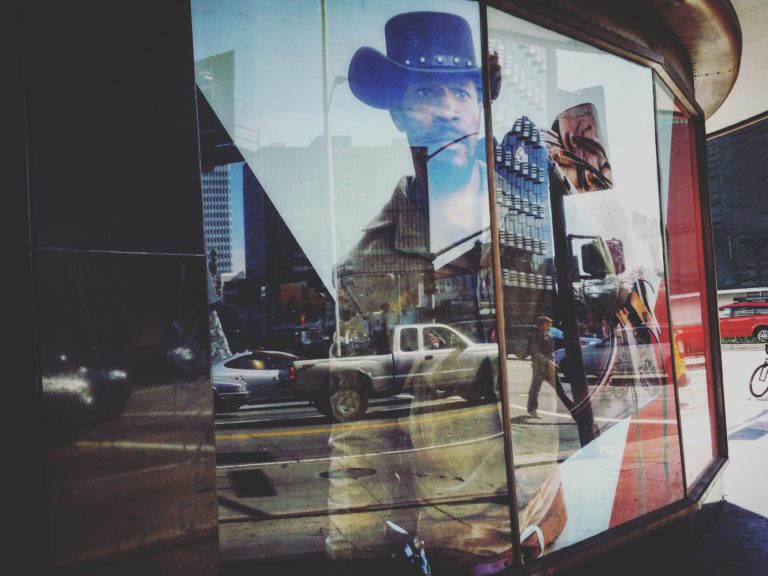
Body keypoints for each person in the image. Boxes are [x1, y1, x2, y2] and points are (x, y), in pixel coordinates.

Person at [325, 11, 565, 575]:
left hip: (548, 521)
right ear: (400, 113)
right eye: (428, 91)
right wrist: (350, 556)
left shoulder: (527, 212)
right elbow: (357, 441)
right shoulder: (371, 261)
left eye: (462, 89)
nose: (450, 108)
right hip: (454, 545)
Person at [526, 315, 556, 418]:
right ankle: (532, 409)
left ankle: (573, 407)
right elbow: (535, 351)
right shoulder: (535, 335)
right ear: (541, 324)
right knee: (535, 388)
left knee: (557, 385)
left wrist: (552, 359)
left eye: (550, 324)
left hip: (549, 364)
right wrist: (546, 360)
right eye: (547, 324)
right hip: (539, 365)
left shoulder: (548, 334)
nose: (549, 326)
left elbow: (552, 350)